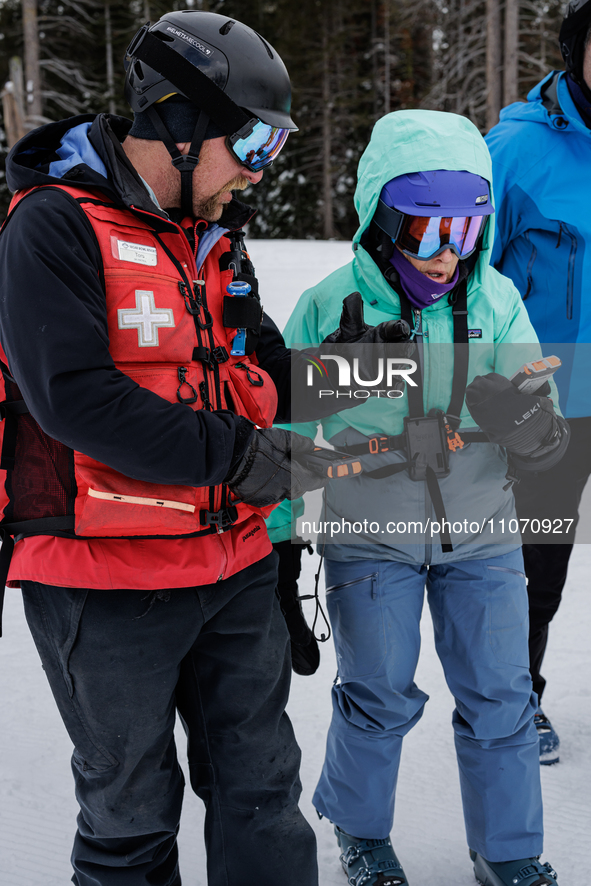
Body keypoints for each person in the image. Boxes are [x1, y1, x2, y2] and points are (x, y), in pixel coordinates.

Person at [0, 11, 407, 886]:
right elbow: (75, 400)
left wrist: (349, 374)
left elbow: (251, 363)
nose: (259, 170)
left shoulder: (213, 237)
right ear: (180, 125)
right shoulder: (50, 226)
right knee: (130, 810)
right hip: (103, 580)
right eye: (251, 142)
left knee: (262, 791)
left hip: (231, 570)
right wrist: (239, 459)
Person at [267, 110, 565, 886]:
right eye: (424, 232)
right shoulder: (333, 307)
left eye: (464, 233)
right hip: (370, 536)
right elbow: (286, 432)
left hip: (483, 533)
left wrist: (528, 428)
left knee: (501, 694)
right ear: (379, 218)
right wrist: (279, 544)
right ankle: (360, 832)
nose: (445, 257)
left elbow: (548, 428)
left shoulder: (495, 300)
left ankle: (508, 850)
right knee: (376, 691)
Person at [485, 0, 591, 766]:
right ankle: (517, 696)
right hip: (545, 401)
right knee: (534, 567)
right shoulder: (515, 151)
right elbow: (461, 280)